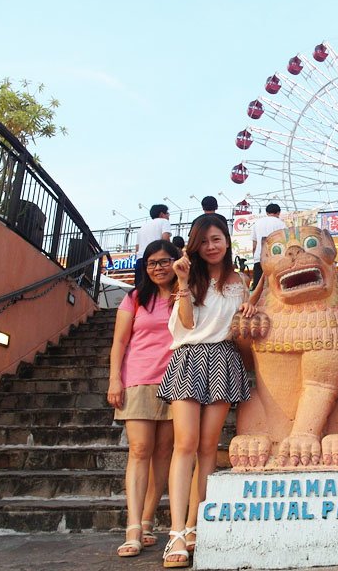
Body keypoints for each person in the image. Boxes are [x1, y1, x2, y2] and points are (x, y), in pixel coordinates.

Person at [157, 216, 255, 568]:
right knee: (184, 445)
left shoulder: (241, 282)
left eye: (217, 239)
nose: (211, 246)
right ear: (195, 246)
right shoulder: (189, 278)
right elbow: (184, 323)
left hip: (224, 359)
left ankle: (197, 524)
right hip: (189, 357)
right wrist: (182, 281)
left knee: (208, 448)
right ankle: (177, 532)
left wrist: (249, 310)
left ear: (227, 241)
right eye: (204, 241)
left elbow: (243, 326)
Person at [108, 240, 180, 557]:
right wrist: (115, 379)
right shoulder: (135, 298)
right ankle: (133, 526)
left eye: (164, 261)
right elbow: (119, 342)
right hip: (138, 379)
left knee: (164, 453)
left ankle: (149, 518)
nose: (158, 267)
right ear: (145, 267)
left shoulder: (186, 296)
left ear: (176, 263)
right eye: (152, 263)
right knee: (139, 450)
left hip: (177, 381)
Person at [250, 203, 286, 291]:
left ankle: (257, 304)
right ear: (278, 213)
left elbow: (254, 244)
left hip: (259, 258)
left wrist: (255, 256)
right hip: (276, 259)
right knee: (275, 288)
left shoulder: (257, 223)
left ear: (266, 212)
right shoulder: (282, 224)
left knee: (258, 287)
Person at [135, 204, 172, 287]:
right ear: (162, 214)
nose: (168, 216)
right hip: (155, 260)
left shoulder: (142, 227)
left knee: (140, 289)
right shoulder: (164, 222)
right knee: (156, 288)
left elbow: (137, 248)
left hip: (140, 260)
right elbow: (165, 239)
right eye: (167, 213)